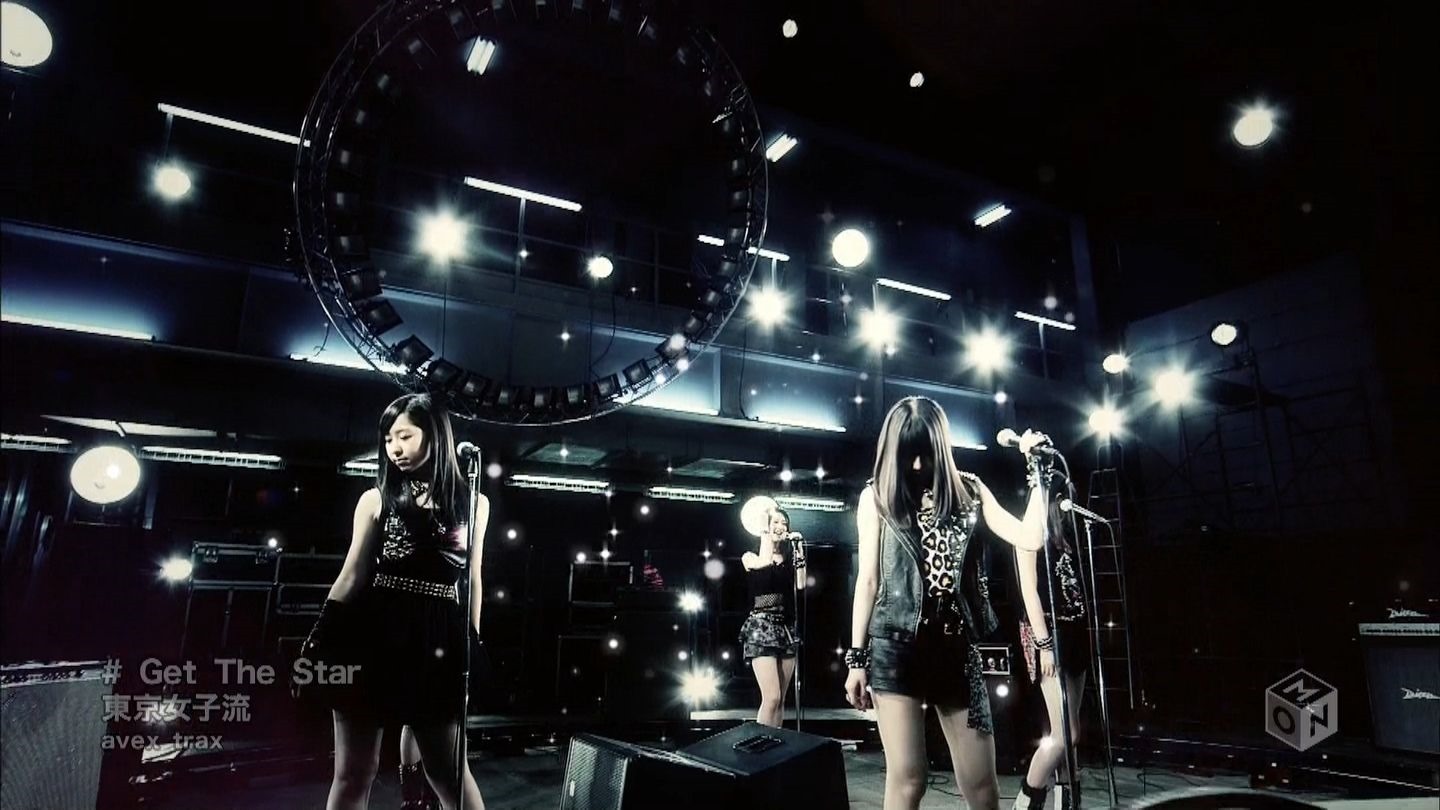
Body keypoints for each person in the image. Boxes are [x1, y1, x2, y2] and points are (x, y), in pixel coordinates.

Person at [844, 396, 1049, 810]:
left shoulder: (970, 490)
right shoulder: (877, 498)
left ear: (941, 446)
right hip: (896, 648)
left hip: (957, 649)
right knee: (908, 780)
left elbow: (1030, 537)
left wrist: (1038, 474)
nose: (918, 465)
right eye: (909, 454)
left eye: (926, 453)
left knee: (981, 784)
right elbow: (867, 580)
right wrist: (856, 659)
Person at [297, 393, 489, 810]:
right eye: (387, 439)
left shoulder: (474, 503)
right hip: (373, 636)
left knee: (449, 774)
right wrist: (317, 638)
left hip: (438, 641)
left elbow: (472, 578)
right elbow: (352, 575)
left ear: (435, 436)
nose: (394, 448)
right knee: (353, 774)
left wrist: (472, 641)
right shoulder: (375, 499)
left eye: (404, 436)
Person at [1012, 497, 1092, 809]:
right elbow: (1029, 591)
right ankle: (1025, 802)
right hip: (1048, 633)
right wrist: (1044, 645)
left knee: (1072, 734)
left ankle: (1067, 802)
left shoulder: (1068, 534)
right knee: (1065, 734)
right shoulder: (1029, 533)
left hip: (1075, 631)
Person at [740, 505, 806, 727]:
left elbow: (801, 584)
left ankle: (775, 741)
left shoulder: (788, 560)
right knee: (772, 697)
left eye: (784, 523)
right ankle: (762, 742)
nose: (781, 526)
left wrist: (799, 549)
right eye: (775, 522)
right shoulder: (750, 556)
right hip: (761, 627)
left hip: (785, 628)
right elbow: (765, 564)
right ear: (766, 527)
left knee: (782, 700)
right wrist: (765, 532)